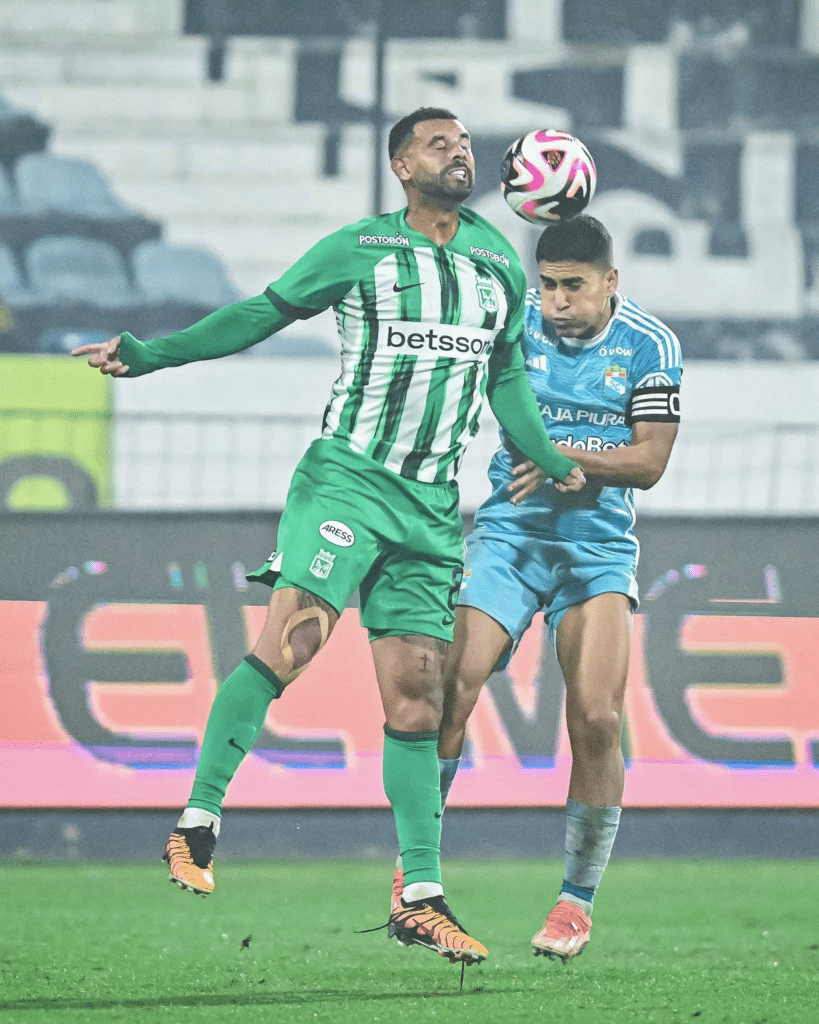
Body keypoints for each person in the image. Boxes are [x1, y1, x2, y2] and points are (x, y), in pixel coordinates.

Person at [72, 107, 584, 966]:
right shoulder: (361, 249)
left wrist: (547, 456)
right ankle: (197, 820)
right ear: (399, 166)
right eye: (437, 144)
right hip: (346, 479)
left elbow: (505, 380)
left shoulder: (499, 261)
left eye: (464, 144)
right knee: (295, 639)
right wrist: (152, 354)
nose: (457, 153)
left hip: (429, 508)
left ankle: (420, 895)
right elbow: (259, 313)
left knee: (418, 697)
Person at [389, 214, 682, 962]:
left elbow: (649, 461)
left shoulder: (649, 345)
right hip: (509, 537)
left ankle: (573, 904)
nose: (556, 301)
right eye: (548, 285)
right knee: (450, 682)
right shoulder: (511, 327)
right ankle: (413, 878)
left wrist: (563, 455)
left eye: (573, 287)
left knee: (595, 718)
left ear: (609, 282)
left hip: (595, 550)